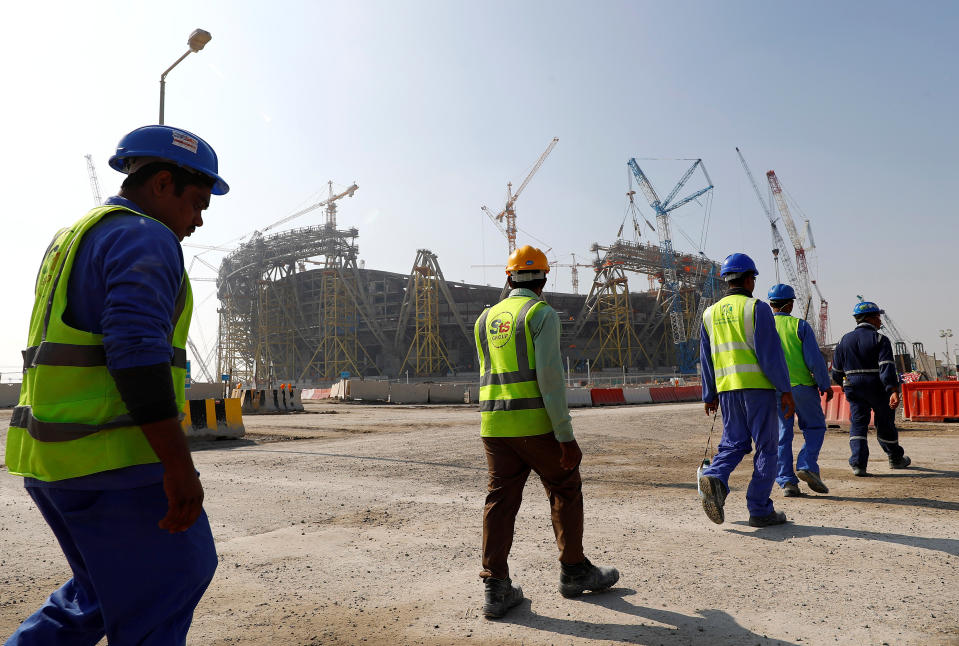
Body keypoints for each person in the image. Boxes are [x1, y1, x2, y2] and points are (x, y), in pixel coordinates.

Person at [5, 125, 229, 645]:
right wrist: (179, 467)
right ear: (162, 183)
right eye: (196, 202)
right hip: (115, 464)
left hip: (52, 461)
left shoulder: (74, 236)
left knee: (98, 596)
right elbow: (136, 355)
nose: (197, 221)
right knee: (171, 583)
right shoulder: (144, 236)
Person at [474, 245, 618, 619]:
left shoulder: (484, 319)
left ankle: (495, 586)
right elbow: (551, 380)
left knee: (500, 500)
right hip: (535, 426)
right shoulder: (541, 314)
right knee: (564, 486)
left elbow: (486, 372)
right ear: (544, 280)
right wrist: (565, 435)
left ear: (508, 278)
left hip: (493, 425)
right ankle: (573, 571)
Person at [698, 253, 796, 528]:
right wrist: (785, 389)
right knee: (767, 448)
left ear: (727, 280)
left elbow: (706, 359)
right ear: (750, 279)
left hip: (727, 390)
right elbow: (770, 355)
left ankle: (715, 476)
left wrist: (710, 394)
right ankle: (760, 508)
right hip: (758, 389)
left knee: (734, 443)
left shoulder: (708, 313)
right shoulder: (757, 308)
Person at [767, 284, 834, 496]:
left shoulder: (762, 327)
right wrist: (825, 385)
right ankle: (806, 464)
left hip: (773, 389)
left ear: (771, 304)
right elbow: (815, 361)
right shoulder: (800, 326)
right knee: (814, 427)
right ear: (791, 304)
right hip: (802, 388)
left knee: (782, 434)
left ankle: (787, 482)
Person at [831, 301, 911, 476]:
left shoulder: (843, 340)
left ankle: (859, 464)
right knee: (885, 423)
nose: (880, 321)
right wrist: (892, 390)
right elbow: (887, 366)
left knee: (858, 425)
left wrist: (846, 385)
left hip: (853, 387)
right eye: (878, 317)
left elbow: (836, 372)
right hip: (877, 387)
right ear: (871, 318)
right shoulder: (881, 339)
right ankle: (895, 458)